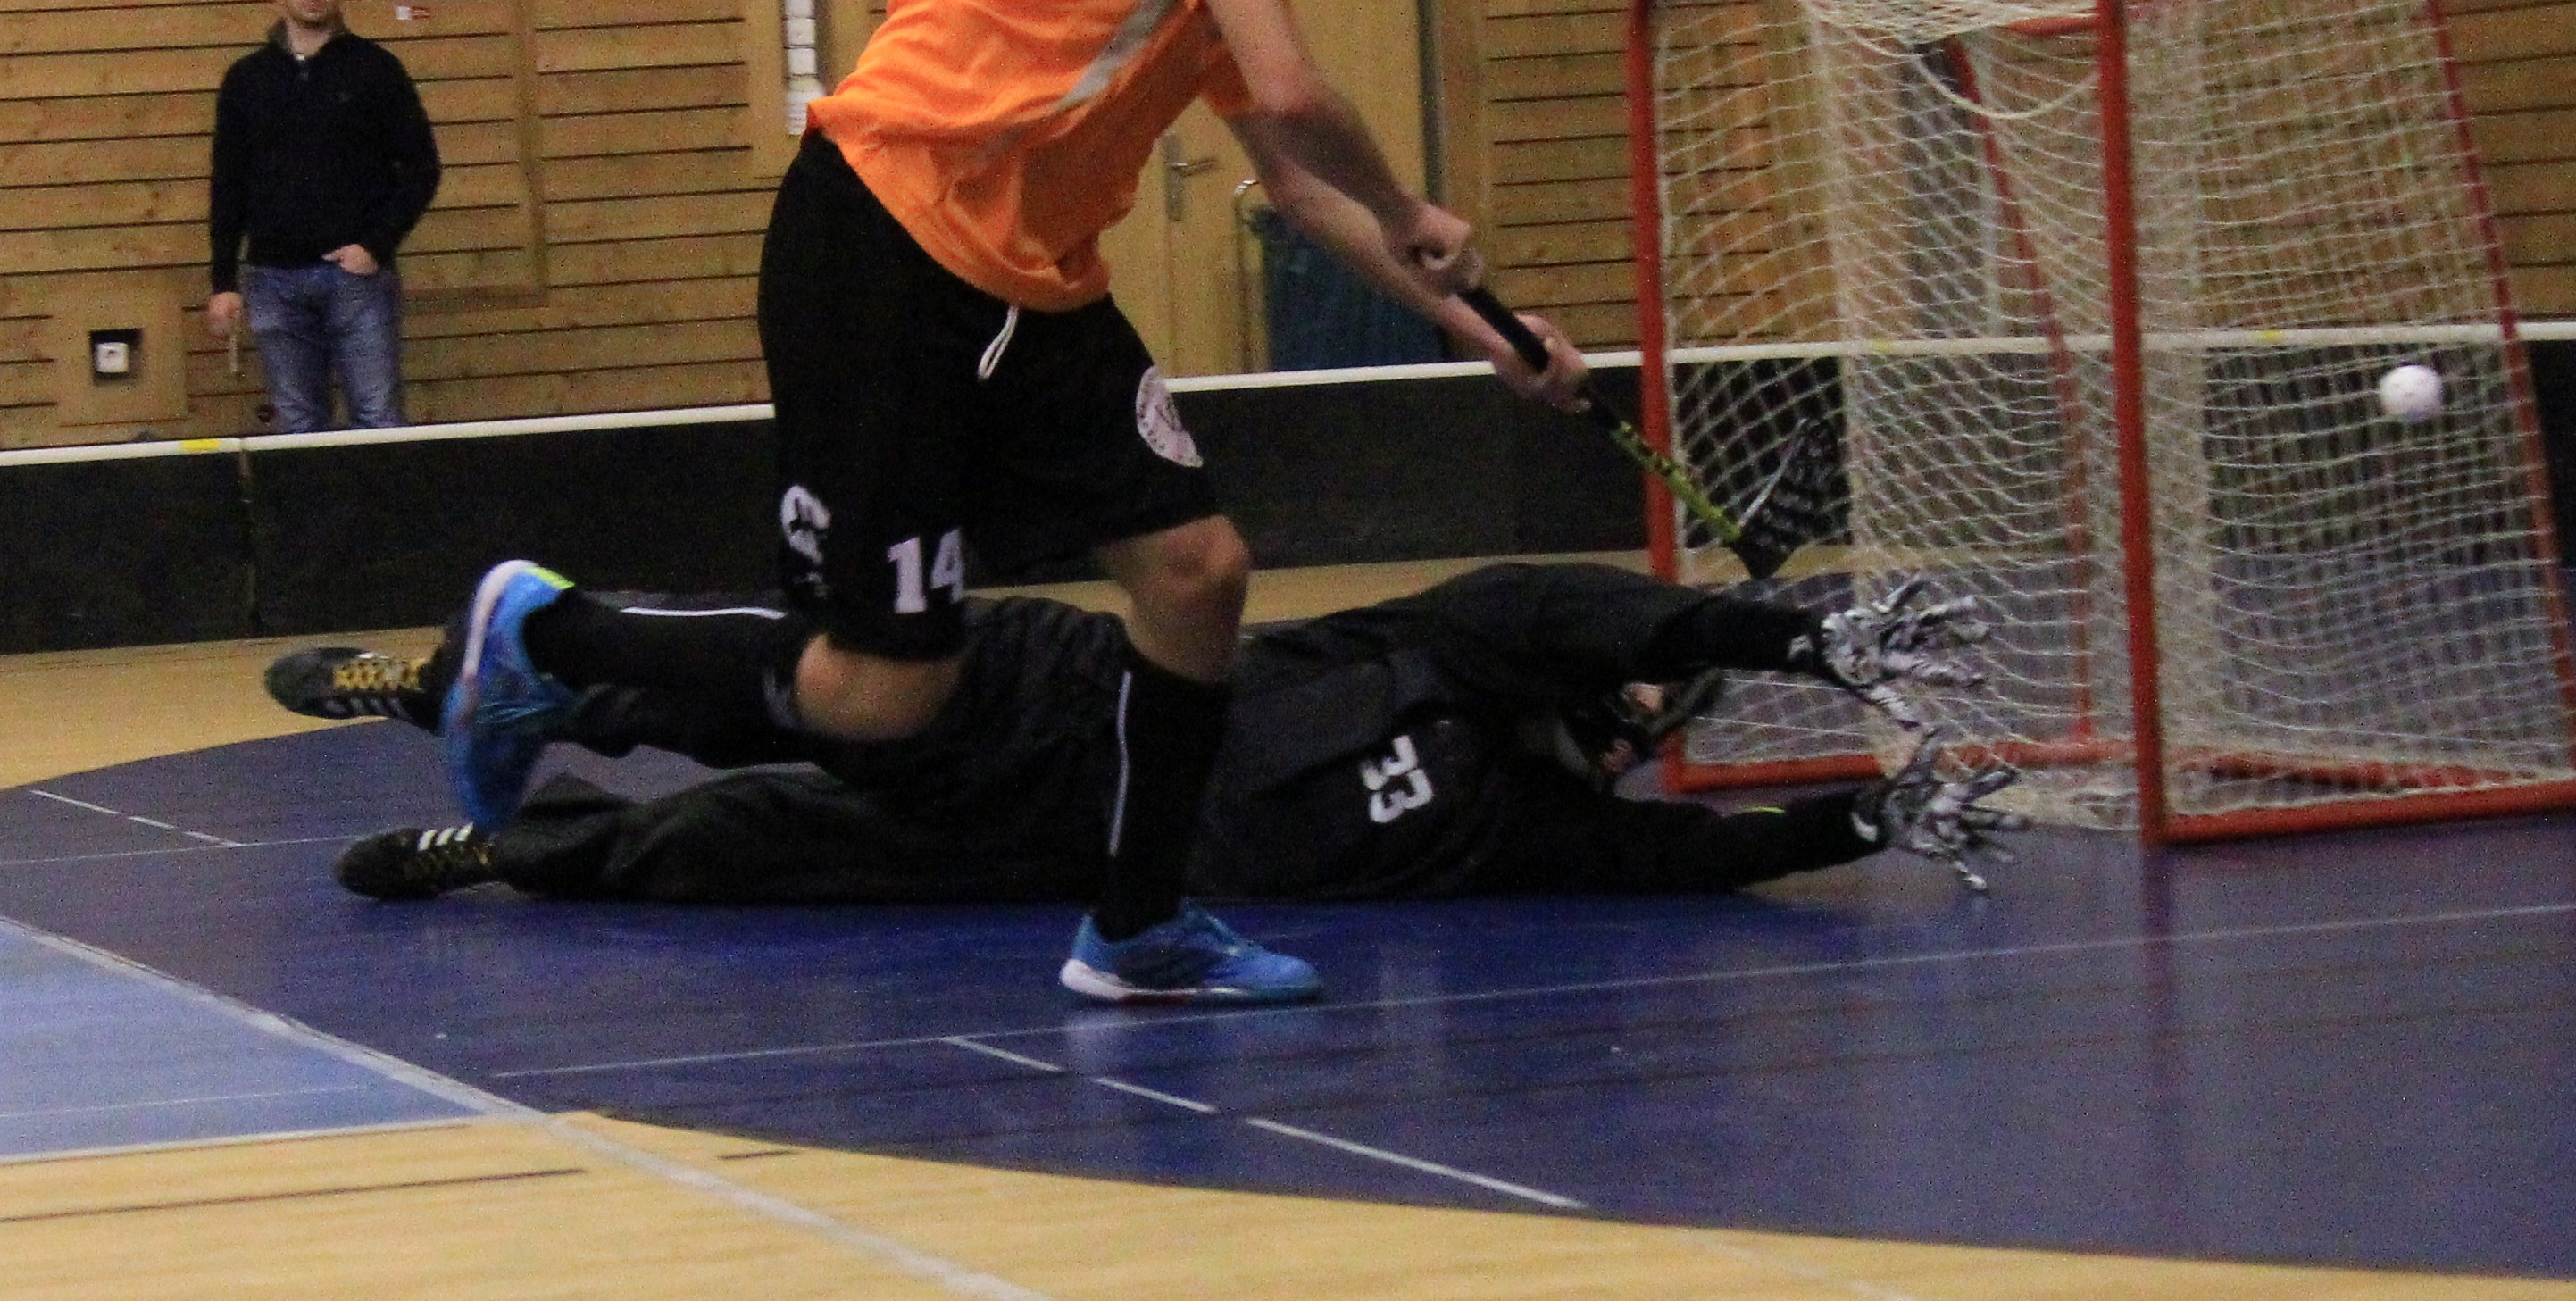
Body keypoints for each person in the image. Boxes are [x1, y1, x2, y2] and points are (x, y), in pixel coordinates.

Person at [436, 0, 1585, 1006]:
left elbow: (1295, 183)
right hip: (886, 243)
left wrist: (1478, 331)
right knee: (880, 690)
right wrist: (1415, 210)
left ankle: (1138, 926)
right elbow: (1298, 94)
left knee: (1197, 573)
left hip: (1029, 284)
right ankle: (545, 634)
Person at [268, 563, 2020, 909]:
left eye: (1656, 727)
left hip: (1073, 854)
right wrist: (1806, 642)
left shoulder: (1522, 830)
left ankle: (501, 847)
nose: (1638, 725)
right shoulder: (1454, 648)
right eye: (1642, 697)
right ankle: (482, 669)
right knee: (812, 696)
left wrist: (1867, 821)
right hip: (1067, 698)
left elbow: (1696, 859)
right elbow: (1617, 616)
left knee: (738, 848)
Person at [204, 0, 442, 431]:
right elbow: (228, 184)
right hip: (273, 280)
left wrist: (376, 246)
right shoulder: (246, 80)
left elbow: (422, 167)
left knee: (378, 418)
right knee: (298, 427)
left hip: (357, 280)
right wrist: (223, 282)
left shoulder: (376, 70)